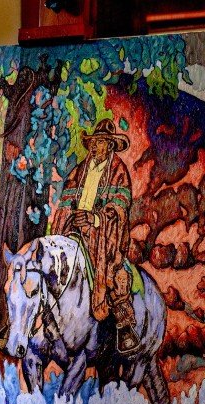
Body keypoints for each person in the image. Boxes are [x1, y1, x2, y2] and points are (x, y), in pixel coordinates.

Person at [51, 118, 139, 354]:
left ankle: (125, 326)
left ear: (109, 145)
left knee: (117, 275)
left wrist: (94, 218)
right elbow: (66, 200)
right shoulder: (79, 170)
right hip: (73, 229)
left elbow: (120, 207)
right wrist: (70, 217)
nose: (95, 146)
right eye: (93, 142)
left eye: (100, 142)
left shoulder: (119, 172)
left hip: (104, 236)